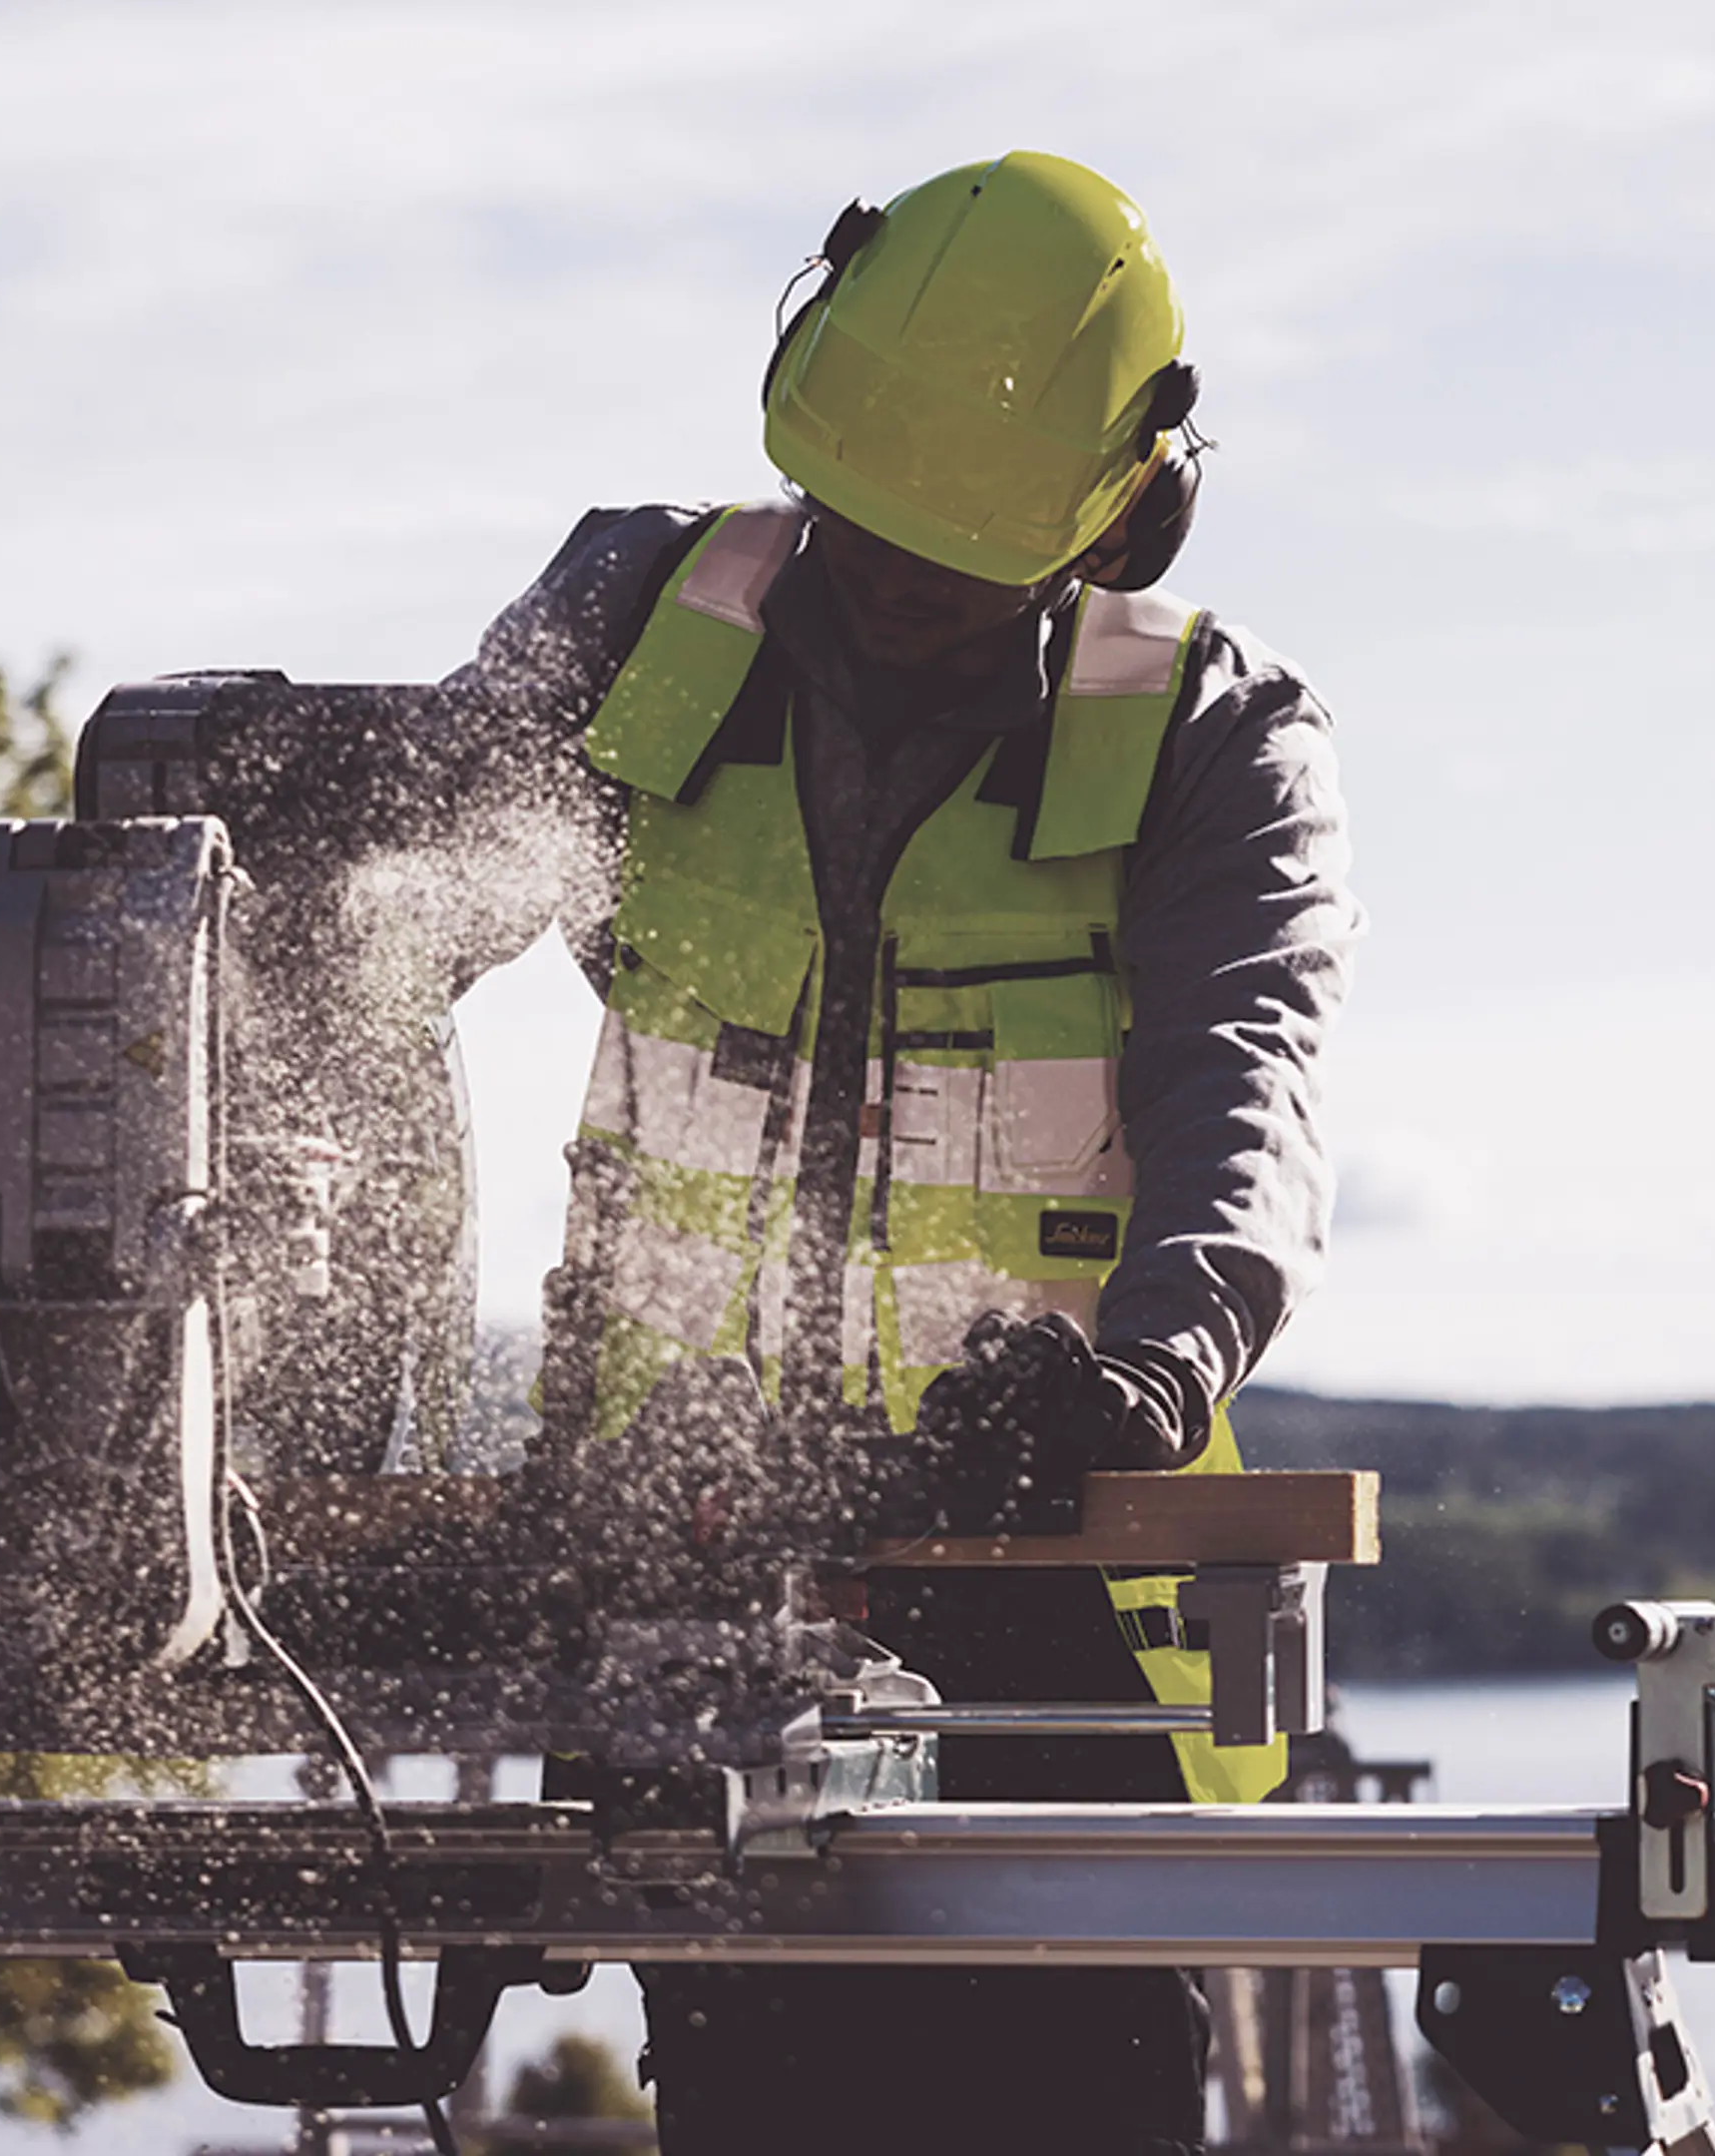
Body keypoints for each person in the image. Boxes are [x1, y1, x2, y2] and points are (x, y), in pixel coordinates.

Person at [445, 150, 1357, 2155]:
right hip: (704, 1582)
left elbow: (1247, 1093)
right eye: (861, 510)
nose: (887, 565)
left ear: (1122, 513)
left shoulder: (1212, 736)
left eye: (953, 541)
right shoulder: (635, 621)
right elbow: (385, 915)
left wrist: (1148, 1376)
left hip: (1069, 1619)